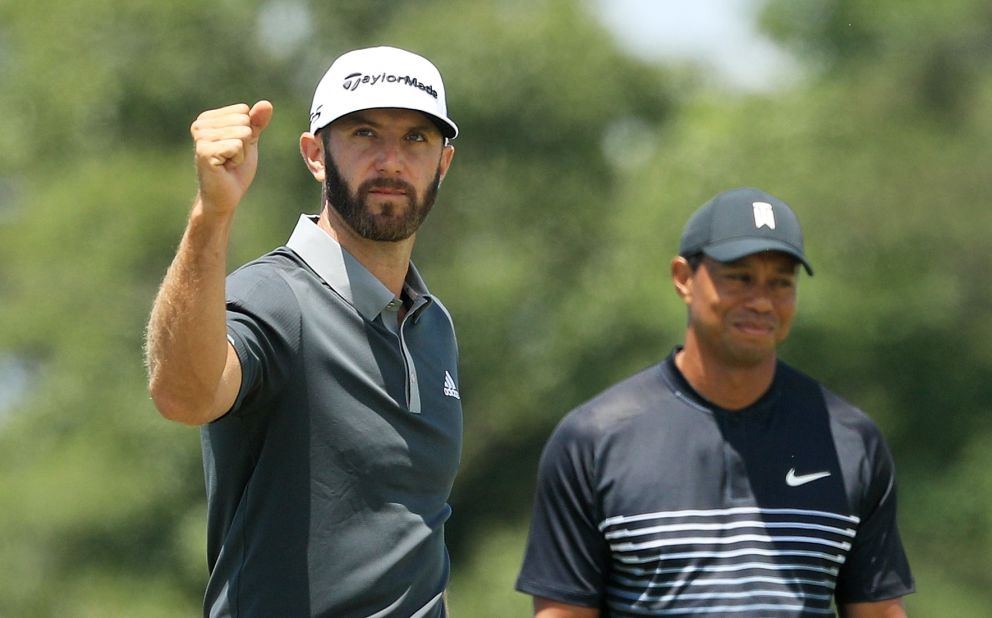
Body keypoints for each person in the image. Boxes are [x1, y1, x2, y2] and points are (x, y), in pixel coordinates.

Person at [144, 46, 462, 618]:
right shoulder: (275, 297)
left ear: (443, 162)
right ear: (316, 156)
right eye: (365, 133)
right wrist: (210, 216)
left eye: (416, 138)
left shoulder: (432, 322)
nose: (392, 160)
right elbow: (182, 395)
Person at [515, 187, 915, 617]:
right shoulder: (593, 440)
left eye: (780, 282)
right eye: (739, 278)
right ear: (684, 278)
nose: (762, 301)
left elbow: (877, 612)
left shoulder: (850, 440)